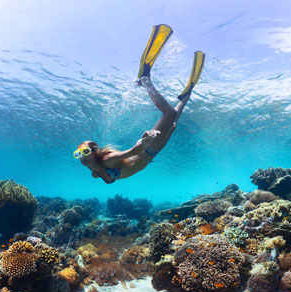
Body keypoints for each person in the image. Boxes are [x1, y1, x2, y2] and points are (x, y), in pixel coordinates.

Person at [74, 24, 205, 184]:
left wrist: (144, 142)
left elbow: (132, 152)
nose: (82, 156)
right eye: (78, 153)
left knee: (169, 114)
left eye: (85, 151)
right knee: (173, 121)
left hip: (147, 148)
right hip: (151, 154)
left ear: (95, 152)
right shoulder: (94, 171)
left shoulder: (108, 159)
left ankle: (145, 80)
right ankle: (185, 97)